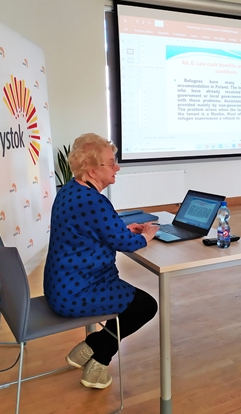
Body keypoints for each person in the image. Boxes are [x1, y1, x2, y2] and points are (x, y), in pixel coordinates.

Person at [44, 133, 159, 389]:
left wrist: (123, 229)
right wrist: (146, 236)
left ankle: (89, 349)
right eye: (111, 163)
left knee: (131, 302)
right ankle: (98, 356)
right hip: (77, 291)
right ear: (93, 170)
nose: (117, 167)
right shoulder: (94, 202)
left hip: (61, 285)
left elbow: (95, 231)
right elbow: (125, 243)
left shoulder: (71, 190)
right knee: (144, 306)